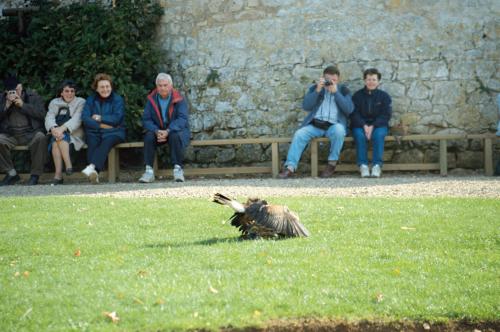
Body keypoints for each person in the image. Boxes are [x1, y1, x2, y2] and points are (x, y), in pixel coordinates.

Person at [279, 65, 354, 178]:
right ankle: (290, 167)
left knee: (339, 131)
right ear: (323, 78)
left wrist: (336, 93)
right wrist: (318, 90)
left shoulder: (343, 90)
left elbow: (349, 110)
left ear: (338, 80)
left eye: (333, 80)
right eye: (328, 80)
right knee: (300, 134)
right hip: (316, 125)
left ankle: (331, 164)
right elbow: (306, 106)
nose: (330, 82)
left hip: (333, 125)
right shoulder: (315, 88)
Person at [139, 73, 190, 183]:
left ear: (171, 86)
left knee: (175, 135)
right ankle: (148, 171)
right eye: (160, 85)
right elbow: (146, 120)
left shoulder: (179, 99)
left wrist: (168, 130)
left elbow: (182, 119)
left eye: (165, 85)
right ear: (156, 86)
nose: (162, 88)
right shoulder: (151, 100)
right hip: (157, 131)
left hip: (174, 131)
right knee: (148, 136)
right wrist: (156, 131)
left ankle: (178, 170)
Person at [0, 75, 47, 185]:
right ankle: (11, 173)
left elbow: (41, 115)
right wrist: (6, 106)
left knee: (41, 137)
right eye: (10, 91)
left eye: (16, 90)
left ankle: (35, 175)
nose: (14, 93)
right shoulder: (2, 98)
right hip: (10, 134)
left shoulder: (33, 96)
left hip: (30, 133)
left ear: (21, 87)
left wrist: (23, 105)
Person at [81, 73, 125, 184]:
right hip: (95, 131)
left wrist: (100, 117)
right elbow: (85, 118)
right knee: (92, 141)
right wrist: (101, 125)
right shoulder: (91, 100)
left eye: (107, 86)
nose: (105, 89)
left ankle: (92, 168)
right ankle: (94, 174)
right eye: (102, 87)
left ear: (111, 87)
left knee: (107, 141)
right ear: (96, 88)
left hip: (115, 131)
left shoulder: (117, 99)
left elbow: (117, 118)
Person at [350, 68, 392, 178]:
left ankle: (376, 166)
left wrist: (373, 126)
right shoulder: (357, 96)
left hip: (378, 125)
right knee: (359, 136)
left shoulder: (384, 96)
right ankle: (363, 165)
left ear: (378, 81)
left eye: (374, 79)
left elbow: (386, 115)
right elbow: (354, 113)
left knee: (378, 135)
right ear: (364, 80)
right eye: (369, 79)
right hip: (360, 124)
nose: (371, 82)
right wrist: (364, 125)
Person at [45, 80, 86, 185]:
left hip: (74, 133)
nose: (70, 94)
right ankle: (67, 167)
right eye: (67, 91)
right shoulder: (54, 102)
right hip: (57, 132)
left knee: (57, 140)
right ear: (61, 93)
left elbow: (77, 119)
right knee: (57, 140)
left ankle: (58, 175)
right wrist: (54, 129)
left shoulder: (81, 102)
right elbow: (49, 117)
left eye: (72, 91)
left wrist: (61, 129)